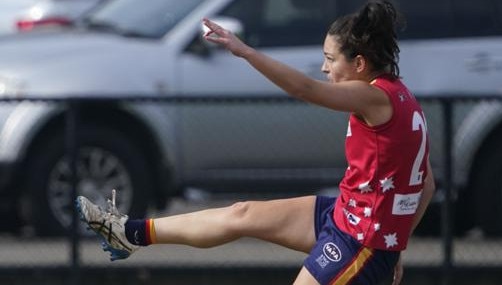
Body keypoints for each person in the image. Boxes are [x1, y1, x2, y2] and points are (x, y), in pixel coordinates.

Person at [76, 0, 435, 284]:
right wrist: (396, 244)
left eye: (329, 59)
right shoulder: (400, 97)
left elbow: (303, 89)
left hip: (361, 241)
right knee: (242, 214)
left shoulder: (373, 98)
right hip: (346, 216)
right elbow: (427, 184)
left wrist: (245, 51)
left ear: (359, 63)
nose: (325, 68)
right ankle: (128, 234)